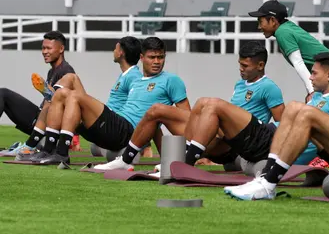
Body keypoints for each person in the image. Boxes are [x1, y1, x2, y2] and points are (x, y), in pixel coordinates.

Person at [94, 41, 285, 170]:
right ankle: (126, 160)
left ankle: (184, 161)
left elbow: (281, 125)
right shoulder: (240, 83)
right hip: (220, 136)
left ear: (260, 66)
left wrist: (274, 157)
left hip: (239, 141)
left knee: (212, 104)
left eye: (245, 66)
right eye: (240, 64)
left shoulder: (269, 87)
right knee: (159, 110)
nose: (241, 69)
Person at [183, 52, 329, 168]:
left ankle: (186, 162)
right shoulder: (316, 97)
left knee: (214, 105)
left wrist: (327, 160)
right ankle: (186, 157)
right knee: (203, 103)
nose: (310, 77)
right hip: (271, 137)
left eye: (314, 73)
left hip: (271, 141)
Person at [32, 37, 190, 165]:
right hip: (113, 128)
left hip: (125, 131)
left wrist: (193, 152)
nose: (156, 61)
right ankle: (49, 150)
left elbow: (186, 117)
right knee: (61, 95)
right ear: (142, 58)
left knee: (73, 95)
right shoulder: (137, 80)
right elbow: (152, 122)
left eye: (160, 57)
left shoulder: (171, 80)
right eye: (152, 57)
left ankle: (61, 153)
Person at [226, 91, 329, 201]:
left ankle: (268, 184)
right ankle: (265, 177)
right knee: (294, 107)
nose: (311, 78)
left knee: (308, 114)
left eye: (314, 73)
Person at [15, 36, 143, 161]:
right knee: (67, 85)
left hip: (116, 127)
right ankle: (49, 147)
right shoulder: (125, 75)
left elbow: (139, 109)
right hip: (108, 123)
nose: (113, 51)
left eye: (115, 48)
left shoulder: (134, 76)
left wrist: (143, 145)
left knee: (68, 92)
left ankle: (56, 148)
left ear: (121, 52)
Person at [248, 0, 329, 102]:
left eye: (260, 21)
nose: (259, 26)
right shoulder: (286, 27)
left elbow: (298, 62)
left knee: (316, 109)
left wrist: (311, 91)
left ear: (272, 20)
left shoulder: (282, 32)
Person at [0, 31, 75, 155]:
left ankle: (31, 145)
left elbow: (69, 106)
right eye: (43, 48)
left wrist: (72, 136)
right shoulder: (53, 71)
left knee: (3, 94)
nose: (44, 52)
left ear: (61, 49)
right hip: (40, 118)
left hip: (48, 125)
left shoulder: (67, 72)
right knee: (4, 95)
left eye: (48, 48)